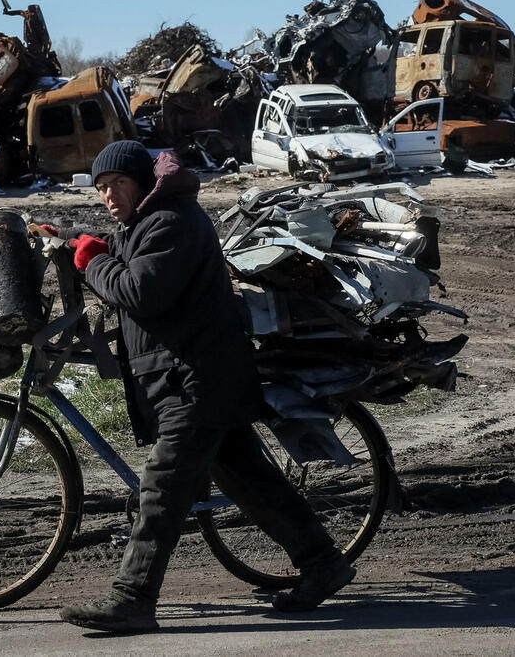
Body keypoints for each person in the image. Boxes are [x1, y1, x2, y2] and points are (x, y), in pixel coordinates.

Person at [58, 140, 355, 633]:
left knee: (162, 490)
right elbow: (126, 258)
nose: (109, 195)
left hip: (197, 379)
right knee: (253, 483)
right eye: (102, 187)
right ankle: (323, 563)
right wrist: (80, 245)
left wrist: (94, 264)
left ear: (141, 181)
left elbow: (140, 291)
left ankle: (132, 599)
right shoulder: (143, 223)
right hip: (193, 377)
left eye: (118, 184)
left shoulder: (171, 221)